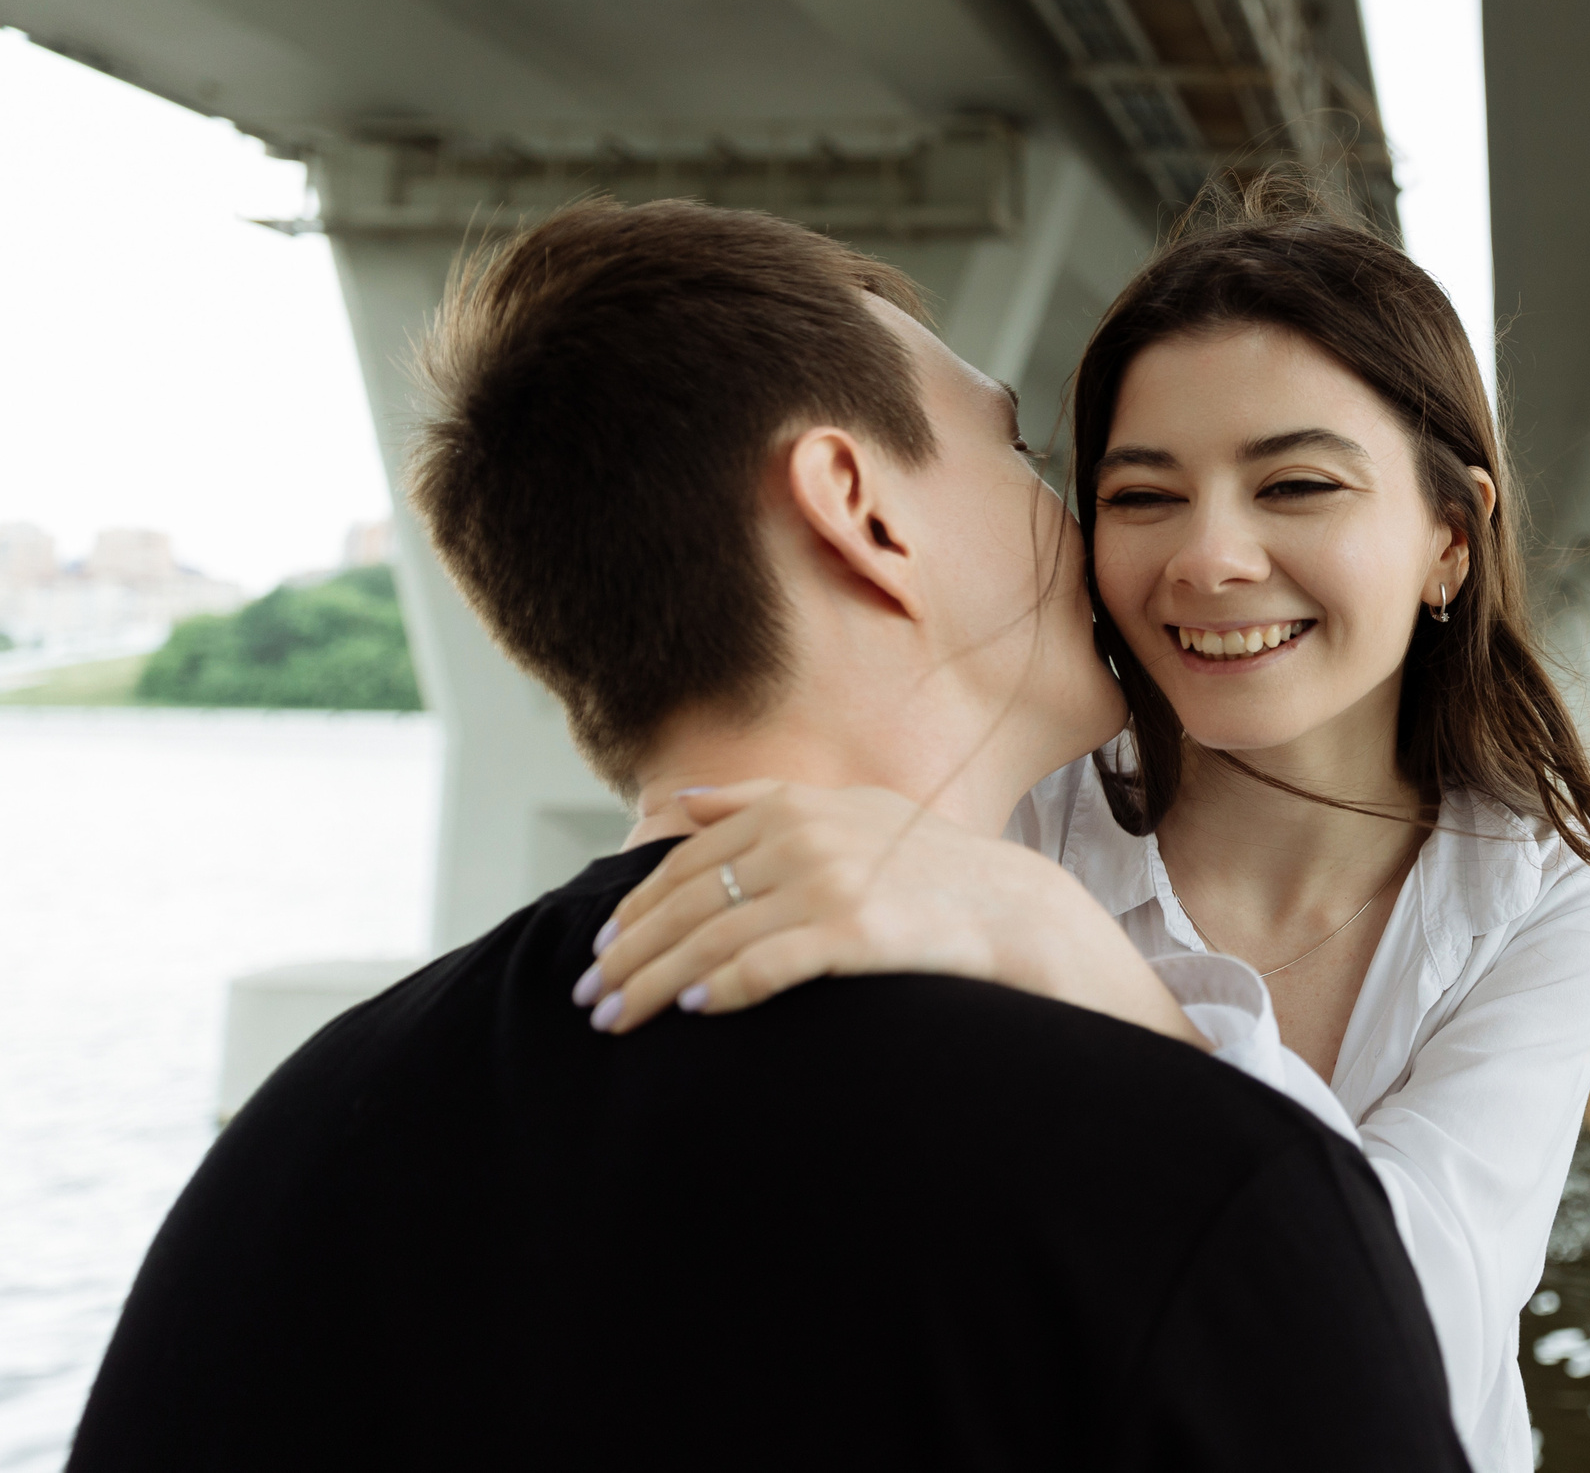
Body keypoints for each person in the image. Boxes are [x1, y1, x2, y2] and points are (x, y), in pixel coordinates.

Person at [68, 199, 1469, 1473]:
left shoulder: (294, 1147)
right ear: (858, 511)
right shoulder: (1202, 1176)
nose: (1088, 528)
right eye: (1018, 452)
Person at [581, 185, 1590, 1472]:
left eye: (1296, 484)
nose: (1209, 559)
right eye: (1142, 496)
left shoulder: (1553, 888)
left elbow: (1411, 1322)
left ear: (1449, 540)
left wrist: (1075, 957)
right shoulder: (996, 815)